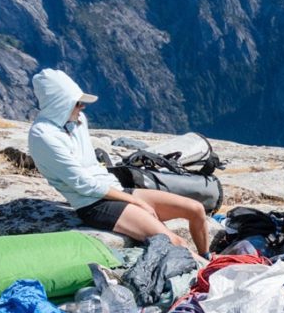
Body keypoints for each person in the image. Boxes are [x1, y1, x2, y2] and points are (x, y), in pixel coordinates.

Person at [27, 68, 209, 254]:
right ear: (59, 104)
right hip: (93, 204)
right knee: (177, 243)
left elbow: (91, 166)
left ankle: (207, 257)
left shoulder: (78, 119)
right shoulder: (43, 136)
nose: (82, 107)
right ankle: (209, 275)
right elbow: (84, 185)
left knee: (196, 210)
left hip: (113, 189)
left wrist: (132, 198)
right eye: (77, 103)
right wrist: (137, 202)